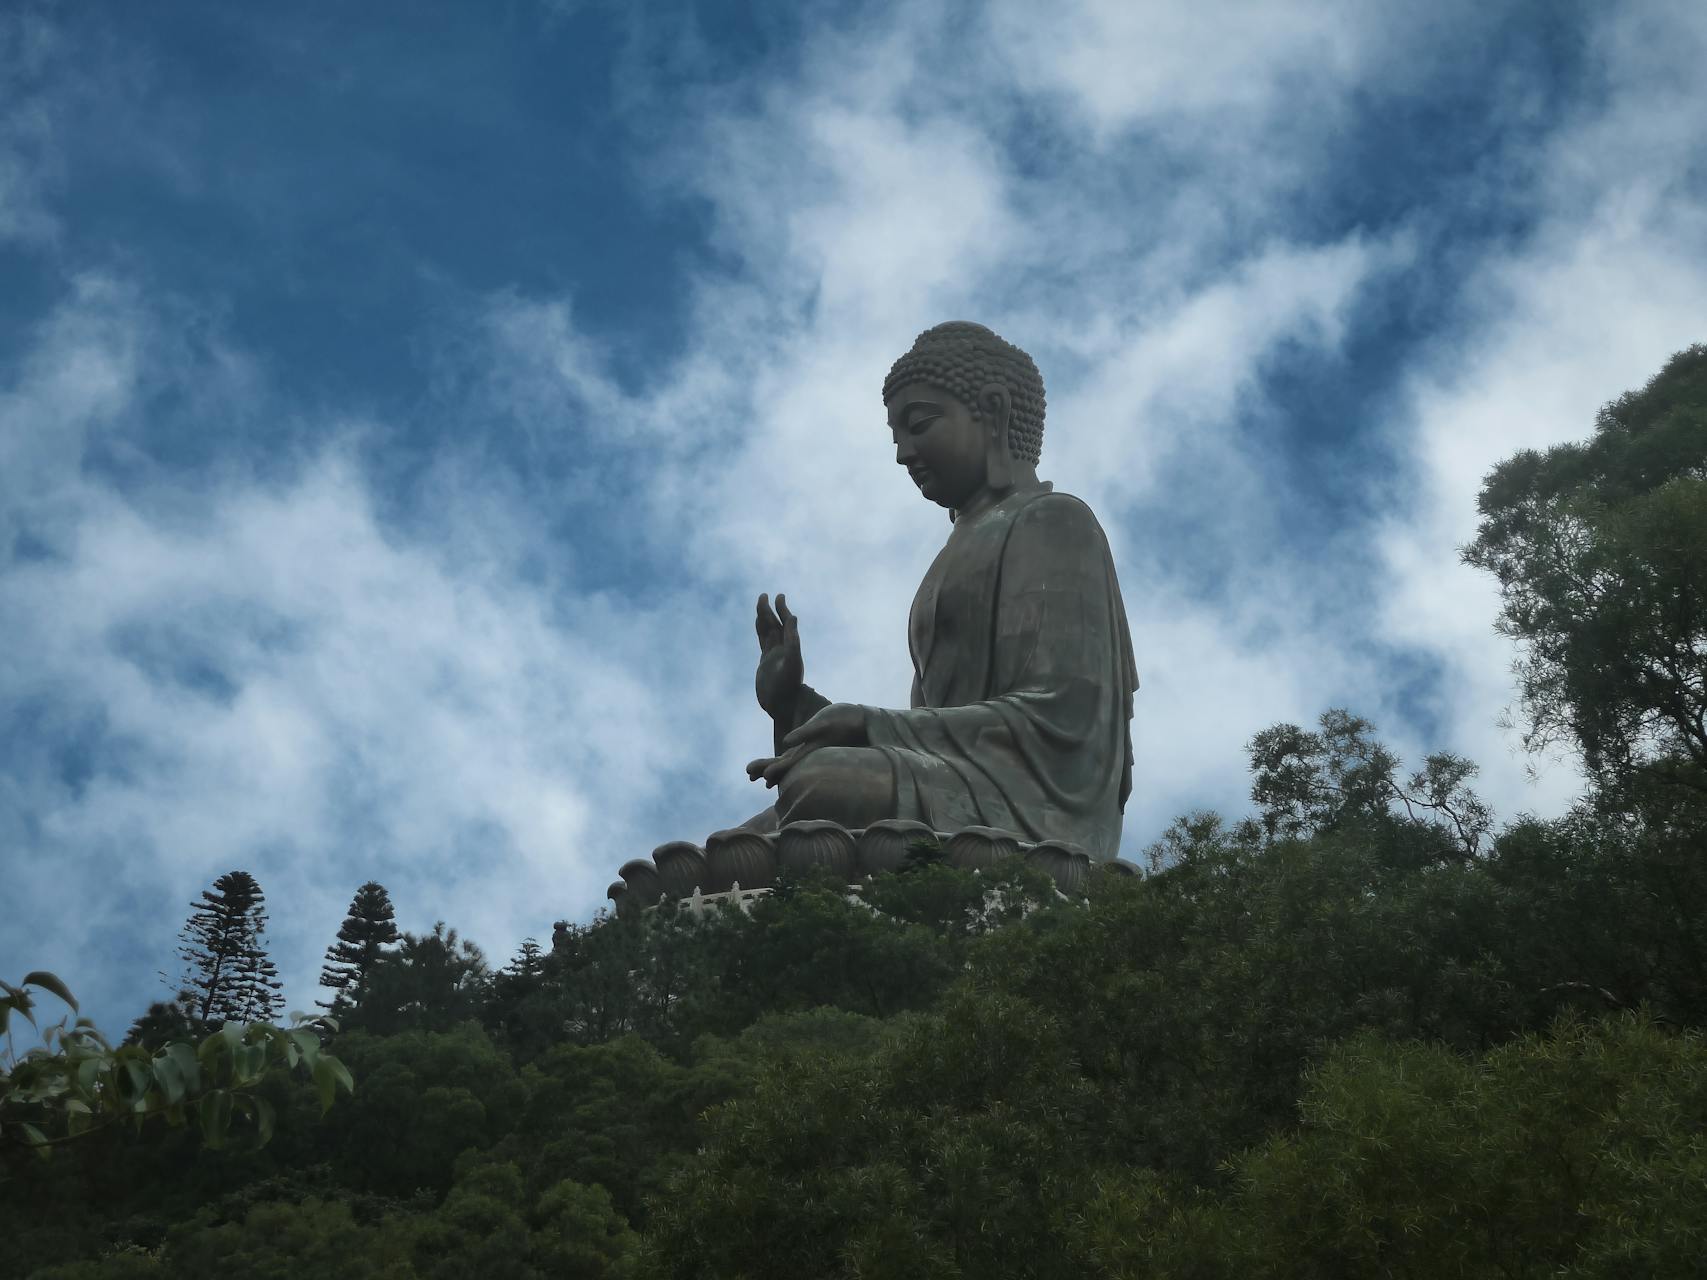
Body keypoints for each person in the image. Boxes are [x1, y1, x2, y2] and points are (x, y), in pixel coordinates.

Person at [745, 321, 1138, 859]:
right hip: (954, 781)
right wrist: (793, 703)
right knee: (748, 836)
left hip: (1030, 802)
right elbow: (928, 731)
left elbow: (1063, 717)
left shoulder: (1054, 521)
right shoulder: (953, 555)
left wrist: (871, 724)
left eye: (920, 425)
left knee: (821, 785)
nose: (904, 453)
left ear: (993, 411)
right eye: (896, 437)